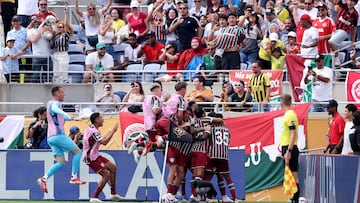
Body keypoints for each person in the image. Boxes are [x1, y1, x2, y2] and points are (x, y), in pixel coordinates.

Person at [37, 86, 86, 194]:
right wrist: (65, 113)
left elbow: (60, 117)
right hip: (58, 135)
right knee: (78, 153)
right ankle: (74, 176)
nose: (64, 94)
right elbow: (57, 110)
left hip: (51, 138)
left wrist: (75, 118)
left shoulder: (49, 105)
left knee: (61, 162)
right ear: (57, 93)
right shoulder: (55, 104)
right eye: (62, 92)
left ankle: (44, 178)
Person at [83, 112, 124, 202]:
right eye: (101, 117)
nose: (103, 119)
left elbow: (99, 140)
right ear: (96, 120)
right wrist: (113, 131)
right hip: (89, 158)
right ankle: (94, 197)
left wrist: (109, 133)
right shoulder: (94, 132)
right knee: (106, 174)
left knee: (112, 167)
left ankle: (113, 194)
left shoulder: (91, 128)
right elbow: (104, 142)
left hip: (94, 155)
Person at [204, 112, 237, 202]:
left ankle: (205, 198)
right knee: (226, 177)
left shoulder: (211, 129)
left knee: (207, 177)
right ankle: (233, 198)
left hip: (213, 155)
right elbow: (228, 142)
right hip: (223, 156)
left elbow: (207, 141)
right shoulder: (227, 130)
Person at [280, 94, 300, 203]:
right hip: (286, 147)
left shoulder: (290, 115)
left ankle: (295, 199)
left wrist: (289, 151)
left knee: (293, 176)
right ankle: (292, 198)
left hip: (290, 148)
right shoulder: (287, 115)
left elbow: (293, 133)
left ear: (282, 102)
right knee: (289, 175)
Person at [329, 0, 358, 66]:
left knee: (331, 42)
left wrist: (353, 41)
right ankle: (337, 67)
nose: (350, 2)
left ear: (355, 3)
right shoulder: (343, 5)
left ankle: (337, 57)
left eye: (352, 1)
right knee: (332, 47)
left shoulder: (355, 14)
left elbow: (354, 27)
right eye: (349, 0)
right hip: (336, 30)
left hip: (344, 31)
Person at [52, 7, 73, 83]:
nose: (60, 28)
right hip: (56, 53)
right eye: (59, 27)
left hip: (63, 53)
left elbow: (66, 25)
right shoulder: (56, 36)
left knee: (63, 72)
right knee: (56, 72)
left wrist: (66, 14)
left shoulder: (65, 35)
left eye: (61, 27)